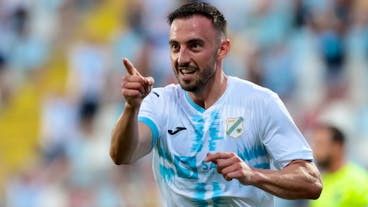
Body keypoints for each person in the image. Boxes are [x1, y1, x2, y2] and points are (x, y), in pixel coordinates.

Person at [109, 2, 322, 206]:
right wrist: (131, 107)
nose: (181, 58)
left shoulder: (260, 102)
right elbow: (122, 155)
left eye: (194, 46)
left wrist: (252, 175)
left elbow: (311, 182)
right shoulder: (160, 103)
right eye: (175, 46)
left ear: (222, 49)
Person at [309, 123, 368, 207]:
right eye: (315, 144)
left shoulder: (359, 180)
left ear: (337, 146)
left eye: (320, 144)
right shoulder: (319, 181)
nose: (315, 150)